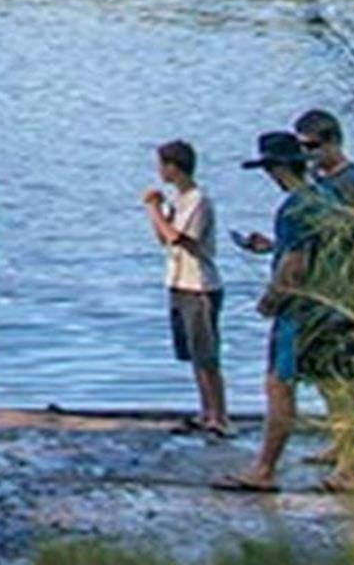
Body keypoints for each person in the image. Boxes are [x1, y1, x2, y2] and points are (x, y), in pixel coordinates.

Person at [214, 130, 333, 493]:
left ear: (278, 168)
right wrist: (274, 247)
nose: (269, 176)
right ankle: (350, 461)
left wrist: (271, 299)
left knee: (278, 386)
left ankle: (264, 470)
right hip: (327, 304)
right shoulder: (322, 197)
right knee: (332, 384)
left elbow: (295, 265)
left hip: (297, 310)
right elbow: (310, 249)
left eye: (269, 168)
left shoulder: (293, 207)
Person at [293, 107, 354, 482]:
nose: (307, 156)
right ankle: (340, 444)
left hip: (353, 291)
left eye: (312, 147)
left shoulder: (353, 182)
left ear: (333, 141)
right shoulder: (320, 178)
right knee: (327, 377)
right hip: (324, 290)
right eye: (301, 148)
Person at [142, 139, 229, 438]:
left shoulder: (198, 200)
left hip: (200, 285)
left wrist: (153, 209)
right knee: (193, 353)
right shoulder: (178, 201)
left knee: (207, 354)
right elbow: (163, 237)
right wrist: (158, 213)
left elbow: (179, 238)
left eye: (162, 165)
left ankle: (220, 416)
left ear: (173, 168)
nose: (159, 171)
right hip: (179, 281)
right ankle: (206, 412)